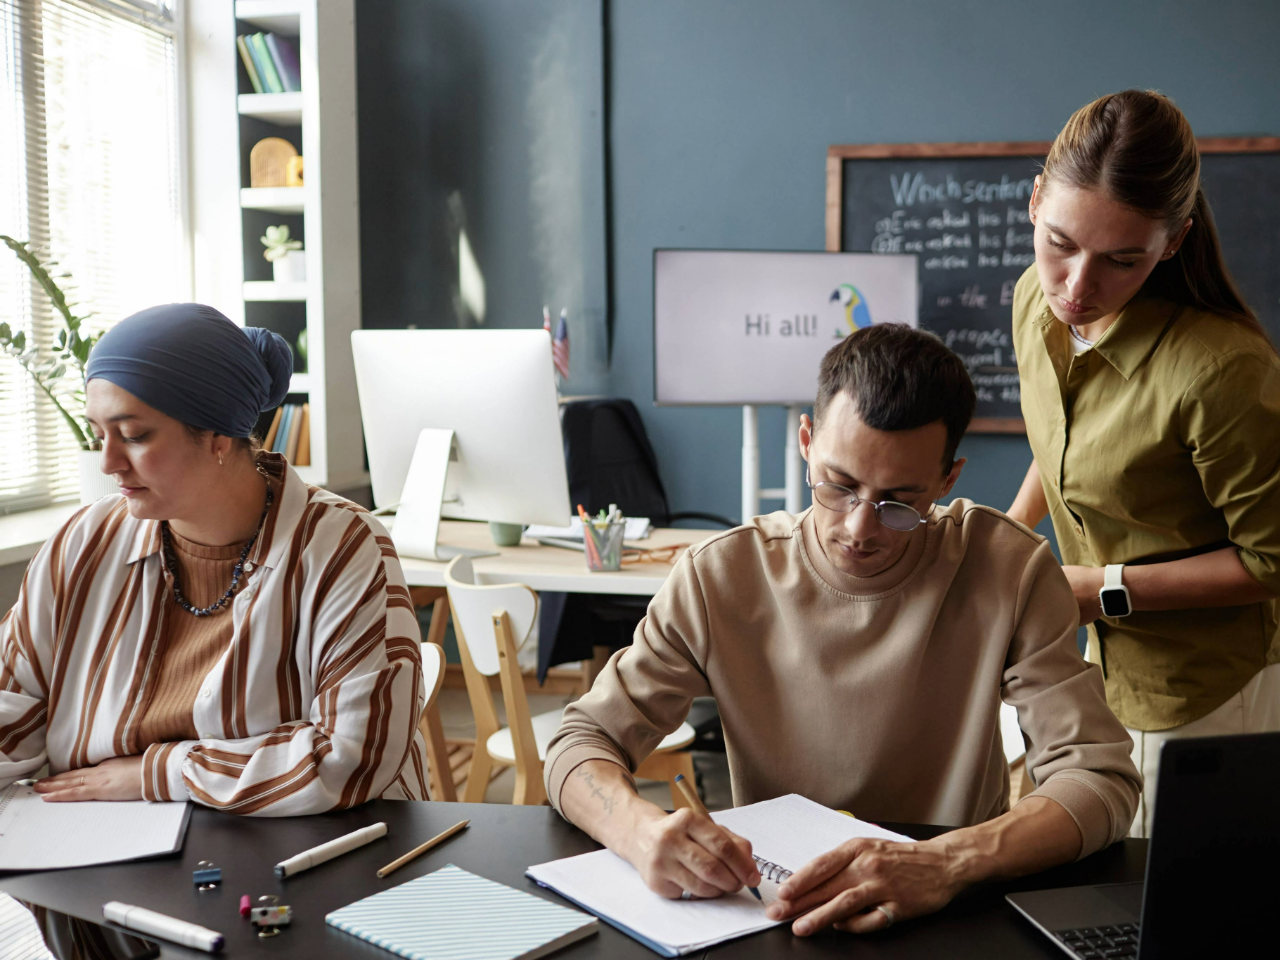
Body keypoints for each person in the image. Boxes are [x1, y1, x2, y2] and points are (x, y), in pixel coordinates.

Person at [546, 324, 1140, 936]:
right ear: (806, 442)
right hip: (772, 906)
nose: (860, 527)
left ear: (948, 480)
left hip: (950, 905)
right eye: (839, 485)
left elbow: (1100, 779)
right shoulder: (720, 575)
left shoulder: (1008, 569)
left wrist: (947, 861)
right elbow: (581, 740)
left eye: (899, 501)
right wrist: (640, 833)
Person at [0, 304, 430, 813]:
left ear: (219, 436)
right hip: (96, 851)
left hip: (301, 847)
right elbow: (11, 714)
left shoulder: (343, 548)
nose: (108, 462)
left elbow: (352, 756)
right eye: (99, 433)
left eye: (134, 435)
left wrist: (160, 773)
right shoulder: (83, 542)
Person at [1005, 90, 1280, 837]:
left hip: (1203, 691)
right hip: (1089, 674)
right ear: (1035, 202)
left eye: (1122, 260)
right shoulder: (1034, 300)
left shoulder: (1221, 369)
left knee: (1173, 918)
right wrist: (1001, 538)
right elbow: (1056, 435)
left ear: (1173, 242)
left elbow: (1271, 561)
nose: (1077, 286)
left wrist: (1102, 592)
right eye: (1060, 242)